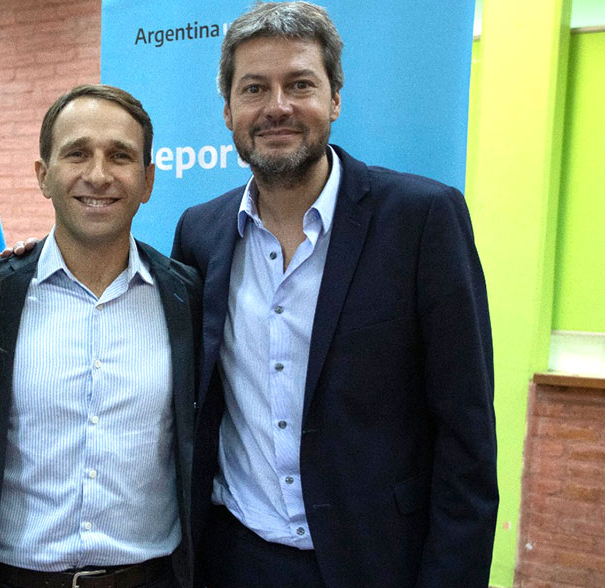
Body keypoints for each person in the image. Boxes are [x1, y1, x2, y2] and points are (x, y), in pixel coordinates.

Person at [171, 2, 498, 587]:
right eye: (254, 89)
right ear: (227, 111)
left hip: (376, 563)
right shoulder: (200, 233)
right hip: (234, 560)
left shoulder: (422, 219)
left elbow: (466, 435)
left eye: (300, 84)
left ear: (335, 99)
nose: (277, 107)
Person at [0, 84, 202, 588]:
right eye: (77, 153)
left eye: (120, 156)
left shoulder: (188, 299)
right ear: (43, 175)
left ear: (148, 180)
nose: (98, 174)